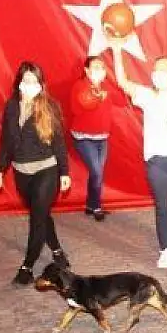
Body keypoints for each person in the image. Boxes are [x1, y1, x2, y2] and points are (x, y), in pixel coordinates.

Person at [109, 43, 167, 269]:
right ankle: (165, 250)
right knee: (162, 207)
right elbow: (122, 82)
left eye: (163, 70)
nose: (157, 74)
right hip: (157, 163)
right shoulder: (147, 96)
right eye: (155, 69)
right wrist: (117, 51)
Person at [0, 62, 72, 285]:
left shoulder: (50, 106)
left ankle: (27, 266)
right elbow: (6, 142)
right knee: (42, 215)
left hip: (46, 169)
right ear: (19, 83)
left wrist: (64, 172)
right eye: (26, 81)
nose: (30, 85)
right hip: (21, 172)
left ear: (40, 84)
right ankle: (56, 250)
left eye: (34, 81)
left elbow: (59, 143)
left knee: (36, 219)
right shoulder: (11, 107)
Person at [69, 56, 117, 221]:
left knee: (97, 173)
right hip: (84, 137)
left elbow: (120, 102)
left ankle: (90, 205)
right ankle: (96, 206)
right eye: (95, 67)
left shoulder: (106, 87)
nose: (99, 70)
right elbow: (76, 109)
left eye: (102, 67)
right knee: (97, 172)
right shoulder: (79, 86)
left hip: (102, 137)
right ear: (87, 70)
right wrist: (93, 97)